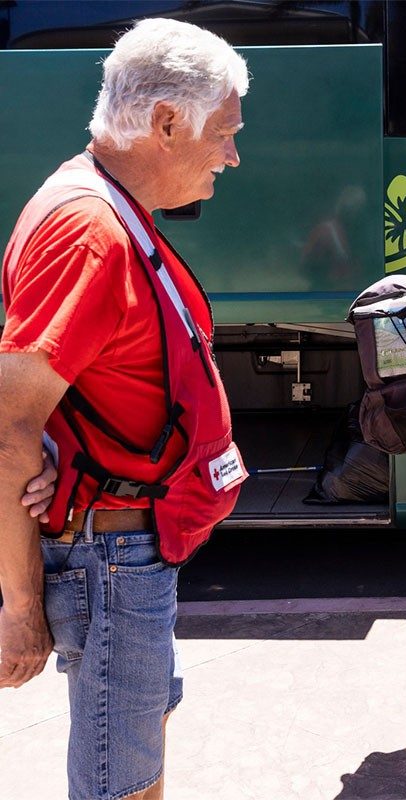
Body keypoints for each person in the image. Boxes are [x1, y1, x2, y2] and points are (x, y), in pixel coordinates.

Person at [0, 18, 249, 799]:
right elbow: (9, 426)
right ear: (169, 122)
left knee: (138, 759)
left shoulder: (108, 209)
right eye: (226, 133)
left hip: (128, 551)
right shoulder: (89, 230)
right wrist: (17, 605)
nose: (233, 156)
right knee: (123, 786)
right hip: (110, 559)